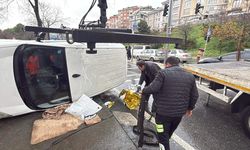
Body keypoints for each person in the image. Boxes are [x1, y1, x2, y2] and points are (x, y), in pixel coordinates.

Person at [142, 56, 199, 150]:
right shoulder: (190, 76)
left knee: (162, 134)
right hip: (178, 115)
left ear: (167, 64)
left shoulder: (162, 73)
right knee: (167, 134)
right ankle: (164, 142)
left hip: (162, 114)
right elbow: (195, 95)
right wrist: (190, 108)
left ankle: (163, 145)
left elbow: (153, 88)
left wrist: (143, 90)